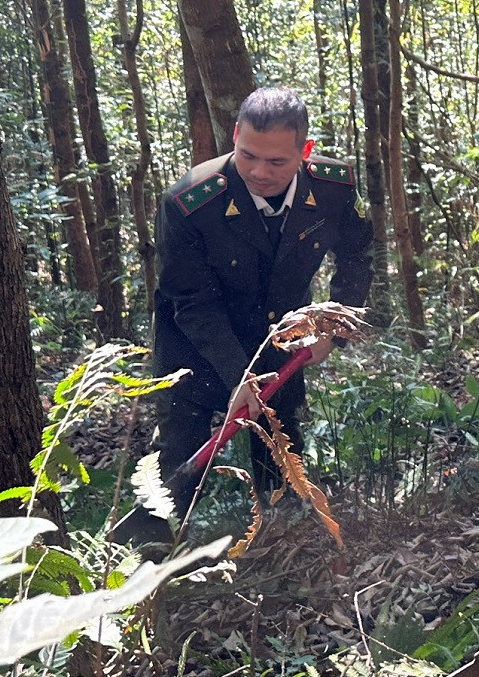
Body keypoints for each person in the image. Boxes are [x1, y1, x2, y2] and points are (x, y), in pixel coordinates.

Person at [118, 87, 372, 544]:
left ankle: (277, 542)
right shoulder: (190, 202)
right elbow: (191, 299)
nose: (259, 172)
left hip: (278, 336)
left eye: (276, 162)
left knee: (277, 448)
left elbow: (356, 255)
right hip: (194, 343)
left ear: (305, 151)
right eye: (248, 155)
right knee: (180, 455)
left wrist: (331, 327)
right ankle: (152, 556)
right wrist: (239, 375)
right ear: (235, 136)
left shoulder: (332, 188)